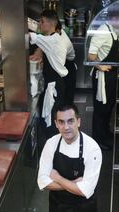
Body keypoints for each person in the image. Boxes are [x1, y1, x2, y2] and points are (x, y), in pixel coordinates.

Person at [37, 104, 102, 212]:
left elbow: (85, 190)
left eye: (70, 121)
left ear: (79, 122)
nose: (66, 127)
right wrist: (72, 184)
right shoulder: (51, 144)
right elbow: (43, 182)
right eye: (61, 122)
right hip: (59, 211)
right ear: (56, 123)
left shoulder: (91, 148)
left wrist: (57, 178)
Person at [29, 10, 74, 138]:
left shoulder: (52, 40)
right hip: (56, 83)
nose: (40, 25)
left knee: (52, 123)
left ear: (49, 23)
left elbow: (27, 36)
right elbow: (42, 46)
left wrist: (0, 19)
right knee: (53, 120)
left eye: (42, 22)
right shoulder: (54, 37)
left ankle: (55, 152)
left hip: (54, 86)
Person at [88, 8, 119, 150]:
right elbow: (91, 55)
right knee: (100, 110)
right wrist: (100, 66)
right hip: (102, 77)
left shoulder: (112, 30)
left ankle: (105, 133)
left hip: (111, 75)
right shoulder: (102, 31)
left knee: (108, 107)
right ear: (113, 19)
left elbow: (106, 49)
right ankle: (98, 139)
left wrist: (118, 52)